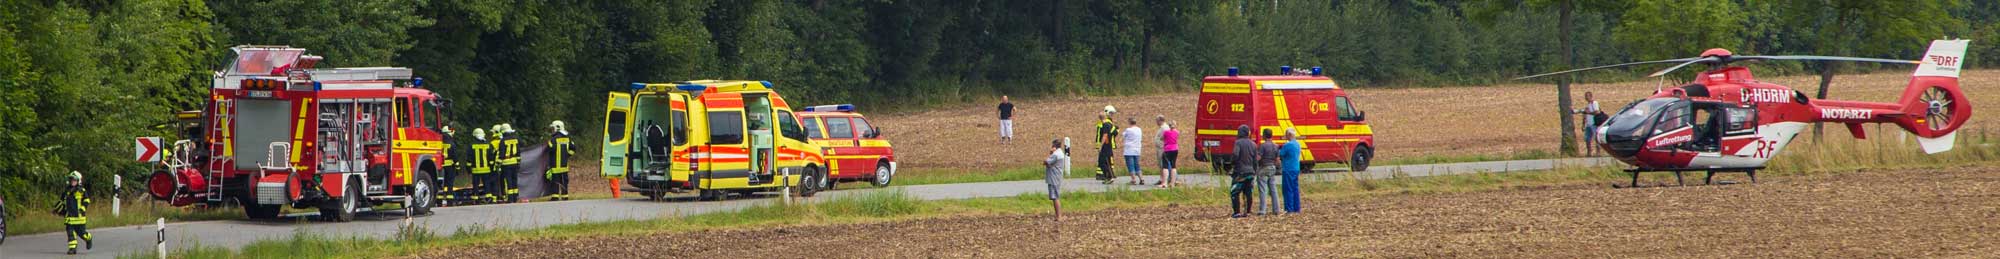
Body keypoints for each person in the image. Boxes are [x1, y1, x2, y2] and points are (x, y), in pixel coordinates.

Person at [55, 171, 92, 254]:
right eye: (71, 180)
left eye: (74, 180)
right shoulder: (66, 191)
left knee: (82, 234)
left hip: (79, 217)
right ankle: (72, 248)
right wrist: (57, 209)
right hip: (69, 217)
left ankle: (88, 238)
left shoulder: (82, 190)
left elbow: (87, 200)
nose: (72, 182)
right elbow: (61, 201)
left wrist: (82, 209)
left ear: (78, 181)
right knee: (70, 233)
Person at [1229, 125, 1258, 218]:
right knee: (1248, 192)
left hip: (1240, 172)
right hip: (1251, 172)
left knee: (1235, 192)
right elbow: (1255, 160)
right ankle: (1247, 212)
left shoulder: (1238, 143)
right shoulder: (1253, 144)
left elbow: (1235, 154)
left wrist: (1232, 163)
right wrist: (1254, 171)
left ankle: (1237, 212)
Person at [546, 121, 577, 201]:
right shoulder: (567, 138)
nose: (552, 130)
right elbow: (573, 149)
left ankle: (555, 197)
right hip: (564, 166)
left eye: (553, 128)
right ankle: (565, 196)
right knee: (564, 182)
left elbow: (550, 149)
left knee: (555, 181)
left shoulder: (553, 139)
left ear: (557, 128)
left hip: (555, 165)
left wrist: (548, 143)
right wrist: (567, 155)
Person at [1256, 129, 1281, 215]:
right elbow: (1278, 160)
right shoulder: (1276, 146)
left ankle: (1262, 210)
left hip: (1264, 167)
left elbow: (1258, 157)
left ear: (1264, 136)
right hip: (1272, 168)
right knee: (1273, 189)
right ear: (1271, 135)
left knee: (1263, 189)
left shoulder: (1263, 146)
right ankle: (1276, 209)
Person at [1043, 138, 1069, 221]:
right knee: (1056, 196)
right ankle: (1059, 215)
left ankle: (1059, 216)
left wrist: (1050, 153)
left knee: (1055, 197)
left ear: (1054, 145)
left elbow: (1046, 162)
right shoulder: (1060, 153)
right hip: (1057, 177)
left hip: (1053, 178)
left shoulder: (1055, 155)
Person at [1281, 128, 1304, 214]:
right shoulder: (1298, 144)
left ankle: (1289, 208)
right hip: (1296, 168)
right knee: (1295, 188)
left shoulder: (1287, 145)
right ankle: (1296, 208)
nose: (1285, 136)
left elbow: (1281, 154)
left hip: (1288, 169)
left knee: (1288, 189)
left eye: (1286, 134)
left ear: (1289, 135)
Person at [498, 124, 523, 203]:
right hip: (514, 162)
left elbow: (501, 154)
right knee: (514, 179)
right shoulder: (516, 139)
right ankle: (515, 197)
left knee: (508, 180)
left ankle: (510, 198)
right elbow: (519, 150)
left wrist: (498, 164)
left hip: (506, 163)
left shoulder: (502, 141)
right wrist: (518, 162)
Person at [1574, 91, 1603, 157]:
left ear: (1591, 96)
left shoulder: (1594, 103)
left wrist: (1588, 112)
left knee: (1596, 138)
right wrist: (1583, 124)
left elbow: (1597, 112)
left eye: (1587, 96)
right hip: (1588, 124)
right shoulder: (1588, 105)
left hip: (1594, 123)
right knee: (1587, 139)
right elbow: (1585, 115)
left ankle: (1598, 153)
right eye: (1585, 96)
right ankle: (1589, 153)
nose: (1586, 98)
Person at [469, 128, 494, 203]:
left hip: (475, 170)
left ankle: (476, 199)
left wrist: (468, 169)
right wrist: (492, 167)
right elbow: (491, 158)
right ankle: (488, 198)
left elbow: (469, 159)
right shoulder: (488, 145)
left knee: (475, 185)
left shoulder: (471, 146)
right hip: (486, 169)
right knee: (487, 184)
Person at [1094, 112, 1118, 184]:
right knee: (1102, 162)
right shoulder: (1110, 124)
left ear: (1100, 118)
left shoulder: (1106, 125)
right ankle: (1108, 177)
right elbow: (1115, 132)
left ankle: (1110, 177)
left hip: (1106, 147)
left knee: (1105, 162)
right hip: (1108, 146)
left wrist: (1100, 146)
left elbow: (1105, 135)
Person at [1156, 119, 1181, 188]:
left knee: (1165, 166)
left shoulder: (1166, 132)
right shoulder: (1177, 132)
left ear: (1169, 125)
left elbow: (1161, 138)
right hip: (1175, 149)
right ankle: (1172, 183)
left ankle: (1164, 183)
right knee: (1173, 166)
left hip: (1167, 149)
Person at [1120, 118, 1144, 185]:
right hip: (1137, 149)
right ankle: (1141, 178)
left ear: (1129, 122)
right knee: (1137, 165)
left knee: (1130, 165)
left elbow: (1123, 135)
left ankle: (1133, 179)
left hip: (1129, 150)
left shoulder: (1128, 130)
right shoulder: (1139, 129)